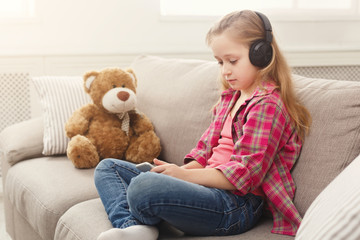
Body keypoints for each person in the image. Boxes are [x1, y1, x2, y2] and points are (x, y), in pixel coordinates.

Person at [94, 10, 311, 240]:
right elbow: (204, 152)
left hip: (236, 203)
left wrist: (181, 177)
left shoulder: (268, 105)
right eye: (220, 62)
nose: (225, 70)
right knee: (107, 168)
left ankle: (150, 213)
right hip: (205, 189)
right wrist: (174, 174)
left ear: (262, 54)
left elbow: (244, 175)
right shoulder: (232, 97)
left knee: (143, 188)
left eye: (232, 61)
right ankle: (134, 226)